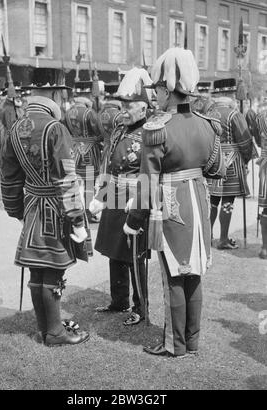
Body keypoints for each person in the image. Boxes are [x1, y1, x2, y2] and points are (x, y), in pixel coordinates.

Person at [123, 47, 226, 357]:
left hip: (172, 204)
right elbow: (216, 169)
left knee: (174, 276)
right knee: (193, 274)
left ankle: (175, 345)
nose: (155, 95)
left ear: (167, 88)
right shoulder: (208, 125)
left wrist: (133, 221)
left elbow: (147, 182)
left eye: (157, 89)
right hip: (199, 200)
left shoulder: (157, 128)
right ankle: (191, 342)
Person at [0, 68, 90, 346]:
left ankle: (45, 327)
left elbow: (9, 178)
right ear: (53, 93)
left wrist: (17, 211)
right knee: (54, 269)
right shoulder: (55, 128)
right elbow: (67, 178)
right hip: (55, 208)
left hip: (32, 207)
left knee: (38, 271)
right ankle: (55, 332)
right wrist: (77, 219)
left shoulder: (16, 128)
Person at [89, 67, 153, 325]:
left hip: (133, 199)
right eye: (123, 105)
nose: (123, 111)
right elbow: (109, 165)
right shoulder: (118, 130)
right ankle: (119, 301)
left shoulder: (151, 132)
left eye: (129, 106)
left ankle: (140, 307)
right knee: (114, 251)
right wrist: (100, 196)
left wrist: (139, 197)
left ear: (144, 109)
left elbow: (152, 172)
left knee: (134, 255)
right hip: (114, 194)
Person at [208, 78, 254, 249]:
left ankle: (207, 236)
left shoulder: (208, 113)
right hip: (231, 163)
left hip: (211, 161)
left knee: (212, 201)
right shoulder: (234, 114)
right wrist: (246, 161)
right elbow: (245, 142)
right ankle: (223, 239)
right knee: (227, 201)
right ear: (229, 95)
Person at [62, 80, 102, 223]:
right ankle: (88, 212)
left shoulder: (67, 113)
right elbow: (99, 132)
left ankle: (71, 211)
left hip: (73, 151)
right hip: (89, 152)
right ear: (87, 95)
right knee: (89, 184)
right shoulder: (89, 112)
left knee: (72, 182)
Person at [255, 110, 267, 258]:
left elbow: (258, 140)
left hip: (266, 163)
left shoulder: (261, 116)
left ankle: (265, 248)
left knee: (266, 208)